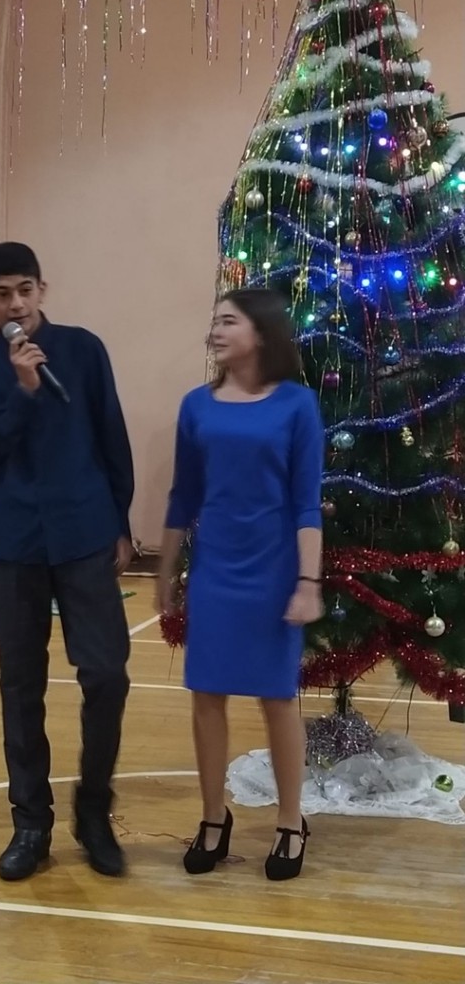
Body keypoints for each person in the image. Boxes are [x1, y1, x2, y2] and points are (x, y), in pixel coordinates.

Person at [0, 242, 134, 881]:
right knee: (20, 685)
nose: (16, 304)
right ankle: (31, 822)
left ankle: (94, 810)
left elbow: (111, 435)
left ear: (42, 290)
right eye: (2, 294)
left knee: (107, 674)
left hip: (85, 531)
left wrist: (122, 522)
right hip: (16, 543)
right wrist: (24, 391)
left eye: (25, 290)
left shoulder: (83, 350)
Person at [158, 288, 324, 882]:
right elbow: (183, 495)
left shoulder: (298, 404)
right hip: (215, 572)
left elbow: (306, 503)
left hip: (276, 573)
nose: (217, 330)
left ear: (261, 332)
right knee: (207, 694)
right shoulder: (196, 406)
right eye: (216, 321)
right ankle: (212, 817)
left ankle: (290, 820)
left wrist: (308, 581)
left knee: (277, 698)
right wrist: (165, 570)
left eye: (229, 321)